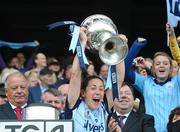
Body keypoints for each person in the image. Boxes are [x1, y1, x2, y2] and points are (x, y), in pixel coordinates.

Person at [65, 27, 126, 132]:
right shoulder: (75, 104)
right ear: (83, 93)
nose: (98, 92)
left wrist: (119, 46)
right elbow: (75, 75)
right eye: (93, 88)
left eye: (101, 89)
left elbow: (119, 80)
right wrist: (83, 42)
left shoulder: (104, 106)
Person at [125, 37, 180, 132]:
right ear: (153, 68)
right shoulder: (145, 82)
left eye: (165, 63)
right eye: (158, 64)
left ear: (170, 68)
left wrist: (175, 42)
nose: (162, 65)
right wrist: (137, 45)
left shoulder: (177, 82)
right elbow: (125, 70)